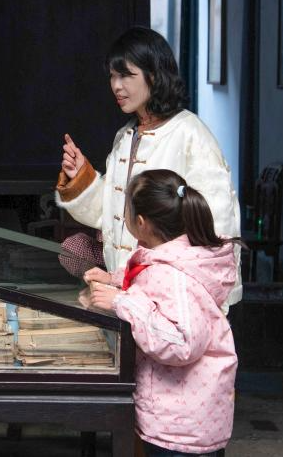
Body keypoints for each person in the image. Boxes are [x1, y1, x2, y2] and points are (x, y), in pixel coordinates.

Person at [56, 26, 242, 310]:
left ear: (153, 75)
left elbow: (217, 225)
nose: (116, 86)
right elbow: (113, 214)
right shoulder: (125, 136)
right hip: (129, 295)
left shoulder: (191, 134)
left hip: (174, 297)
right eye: (112, 76)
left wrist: (203, 302)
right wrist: (82, 176)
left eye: (125, 75)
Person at [85, 170, 239, 456]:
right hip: (187, 415)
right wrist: (114, 280)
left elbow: (183, 342)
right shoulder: (177, 258)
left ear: (141, 223)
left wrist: (123, 302)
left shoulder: (173, 274)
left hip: (179, 425)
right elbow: (157, 290)